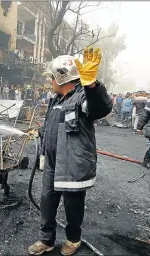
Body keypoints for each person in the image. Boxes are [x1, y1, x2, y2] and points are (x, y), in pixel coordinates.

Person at [28, 48, 112, 256]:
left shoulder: (84, 97)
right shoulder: (56, 100)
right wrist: (40, 133)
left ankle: (73, 239)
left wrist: (92, 86)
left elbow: (100, 108)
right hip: (52, 162)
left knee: (73, 205)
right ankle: (46, 240)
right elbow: (55, 126)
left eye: (52, 78)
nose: (50, 82)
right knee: (47, 200)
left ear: (61, 77)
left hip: (73, 163)